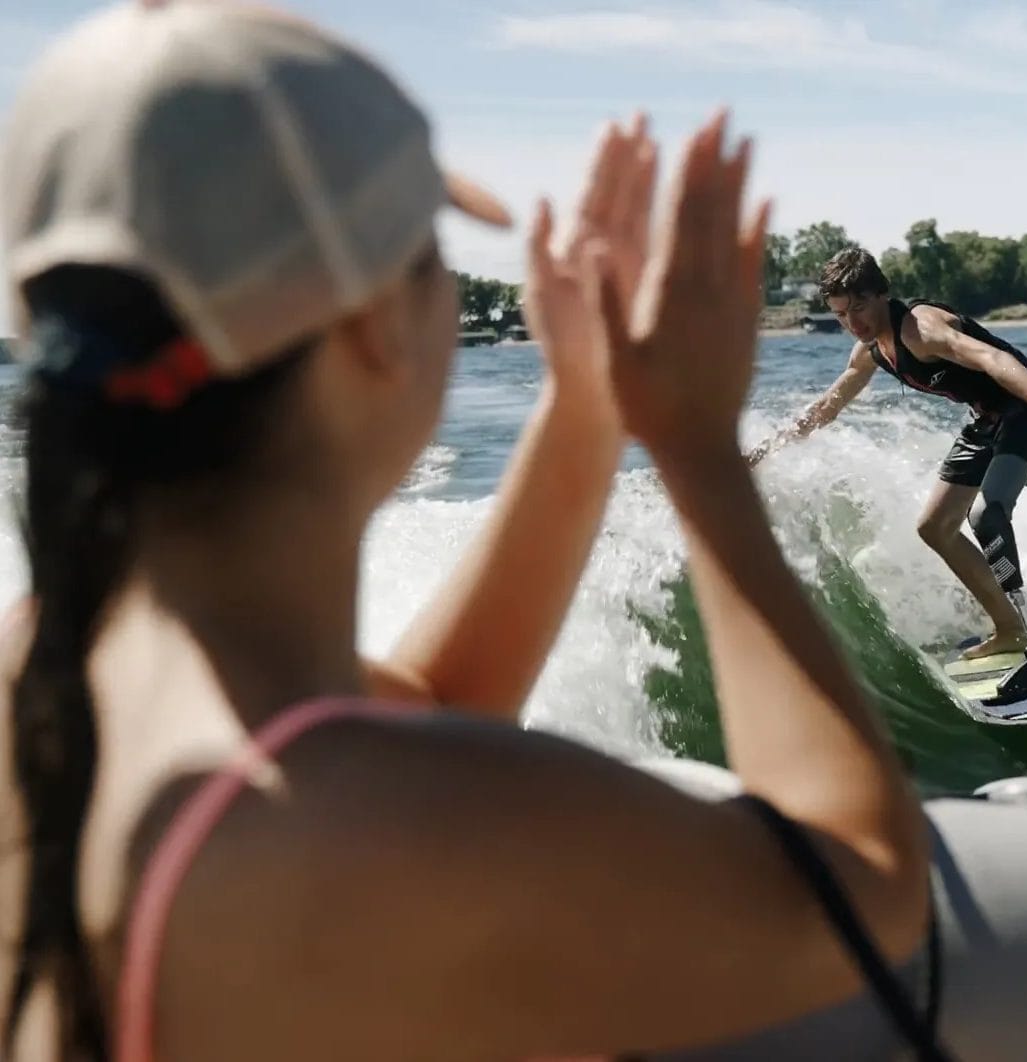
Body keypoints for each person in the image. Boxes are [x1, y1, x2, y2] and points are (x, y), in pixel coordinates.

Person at [0, 3, 941, 1060]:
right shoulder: (361, 832)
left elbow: (435, 707)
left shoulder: (44, 664)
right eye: (431, 257)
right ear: (371, 327)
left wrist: (587, 402)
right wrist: (696, 447)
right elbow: (861, 891)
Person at [748, 248, 1027, 661]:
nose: (853, 323)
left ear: (882, 293)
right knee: (935, 528)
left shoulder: (921, 329)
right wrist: (764, 451)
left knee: (986, 516)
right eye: (841, 315)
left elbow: (993, 358)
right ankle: (1009, 628)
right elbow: (827, 408)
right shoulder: (870, 351)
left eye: (859, 307)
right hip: (988, 418)